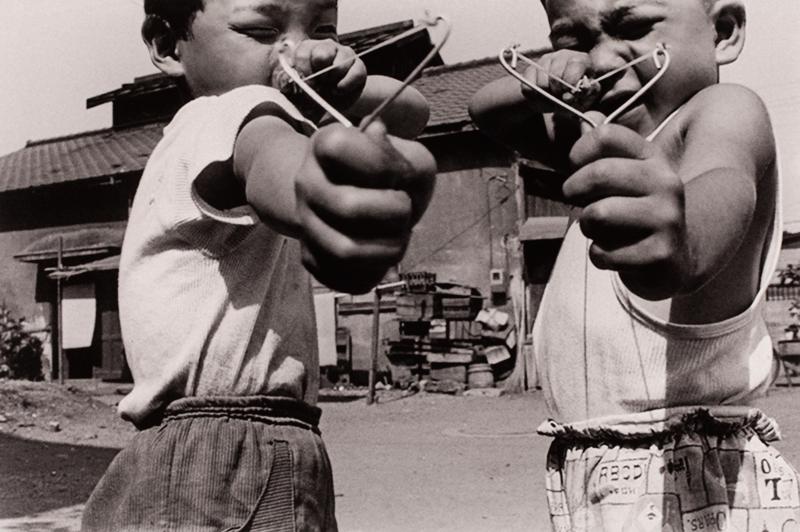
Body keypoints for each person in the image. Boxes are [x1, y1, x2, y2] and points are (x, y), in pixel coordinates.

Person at [82, 0, 436, 530]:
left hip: (195, 447)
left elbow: (414, 112)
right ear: (164, 45)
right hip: (228, 452)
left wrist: (343, 78)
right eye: (262, 30)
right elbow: (271, 159)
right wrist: (314, 192)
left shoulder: (217, 130)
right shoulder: (230, 113)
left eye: (324, 30)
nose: (301, 50)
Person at [470, 0, 800, 530]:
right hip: (597, 478)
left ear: (724, 32)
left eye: (633, 27)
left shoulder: (724, 110)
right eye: (573, 41)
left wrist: (685, 239)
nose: (600, 62)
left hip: (694, 483)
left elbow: (725, 177)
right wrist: (536, 84)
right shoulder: (600, 147)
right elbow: (485, 112)